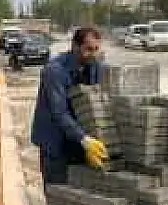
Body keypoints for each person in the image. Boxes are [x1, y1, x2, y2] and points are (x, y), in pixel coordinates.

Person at [29, 27, 109, 186]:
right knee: (57, 191)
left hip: (77, 138)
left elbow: (94, 102)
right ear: (74, 46)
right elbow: (59, 112)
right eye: (88, 49)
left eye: (96, 49)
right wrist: (84, 139)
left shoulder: (94, 66)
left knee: (78, 192)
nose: (92, 54)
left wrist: (93, 137)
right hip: (54, 140)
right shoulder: (54, 71)